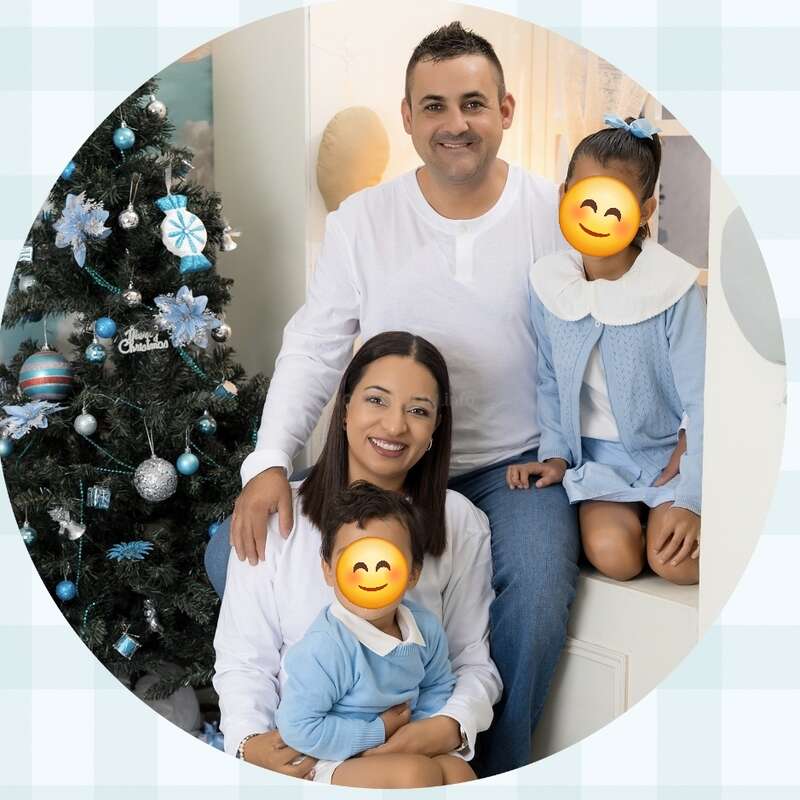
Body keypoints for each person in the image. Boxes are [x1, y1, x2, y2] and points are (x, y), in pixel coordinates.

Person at [208, 23, 684, 774]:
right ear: (407, 116)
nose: (454, 123)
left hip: (510, 466)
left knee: (532, 591)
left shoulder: (552, 217)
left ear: (506, 109)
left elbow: (628, 319)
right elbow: (315, 345)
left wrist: (664, 442)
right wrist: (268, 460)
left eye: (472, 103)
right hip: (379, 465)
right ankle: (325, 737)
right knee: (234, 548)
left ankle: (485, 765)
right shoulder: (362, 221)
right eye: (433, 105)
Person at [213, 331, 501, 789]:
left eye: (418, 411)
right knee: (415, 777)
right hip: (316, 746)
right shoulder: (279, 515)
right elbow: (244, 657)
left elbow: (469, 657)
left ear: (435, 430)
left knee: (456, 773)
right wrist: (249, 741)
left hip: (411, 735)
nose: (394, 426)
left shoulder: (458, 521)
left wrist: (447, 725)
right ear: (344, 408)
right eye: (376, 401)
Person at [506, 116, 704, 586]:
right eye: (585, 198)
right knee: (616, 557)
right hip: (599, 463)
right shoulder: (549, 284)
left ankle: (672, 513)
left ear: (646, 209)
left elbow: (703, 396)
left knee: (678, 564)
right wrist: (555, 456)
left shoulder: (673, 287)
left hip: (669, 457)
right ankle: (632, 520)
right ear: (563, 196)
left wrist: (692, 494)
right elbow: (550, 380)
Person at [274, 481, 476, 787]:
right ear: (329, 570)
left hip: (400, 744)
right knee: (415, 774)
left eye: (385, 562)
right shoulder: (327, 647)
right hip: (334, 759)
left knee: (457, 773)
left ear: (412, 573)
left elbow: (437, 685)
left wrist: (415, 737)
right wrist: (377, 734)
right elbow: (298, 726)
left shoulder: (425, 629)